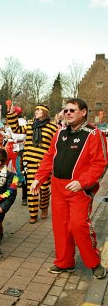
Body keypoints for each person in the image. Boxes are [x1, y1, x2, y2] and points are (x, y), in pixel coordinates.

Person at [30, 98, 107, 279]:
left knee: (78, 225)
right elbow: (49, 157)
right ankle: (65, 263)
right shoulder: (60, 133)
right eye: (66, 110)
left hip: (79, 189)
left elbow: (100, 164)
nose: (68, 113)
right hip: (58, 187)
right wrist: (38, 178)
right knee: (61, 227)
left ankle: (94, 263)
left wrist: (82, 182)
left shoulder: (94, 134)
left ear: (84, 112)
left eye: (72, 110)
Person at [6, 104, 58, 224]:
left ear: (45, 112)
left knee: (44, 189)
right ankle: (33, 214)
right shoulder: (30, 124)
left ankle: (44, 207)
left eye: (39, 110)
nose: (36, 111)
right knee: (32, 189)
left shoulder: (52, 127)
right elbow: (16, 129)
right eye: (36, 109)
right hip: (31, 161)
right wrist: (11, 114)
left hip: (45, 163)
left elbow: (56, 144)